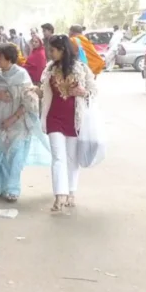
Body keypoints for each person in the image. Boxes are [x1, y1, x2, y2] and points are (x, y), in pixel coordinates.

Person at [0, 43, 45, 202]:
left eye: (0, 57)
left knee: (14, 156)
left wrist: (12, 118)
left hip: (17, 123)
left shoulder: (21, 76)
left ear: (9, 59)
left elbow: (29, 102)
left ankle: (12, 189)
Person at [40, 35, 97, 213]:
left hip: (74, 118)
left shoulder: (81, 68)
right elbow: (44, 91)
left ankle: (71, 191)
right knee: (58, 157)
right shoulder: (49, 69)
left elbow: (93, 91)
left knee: (72, 158)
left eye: (53, 50)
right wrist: (36, 92)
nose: (50, 53)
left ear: (63, 50)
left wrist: (83, 92)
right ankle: (59, 195)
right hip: (53, 117)